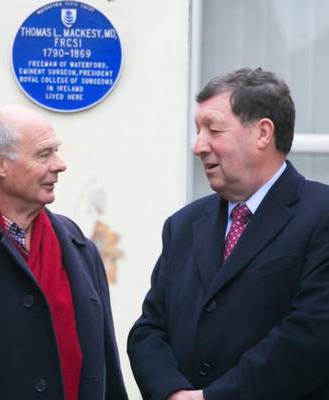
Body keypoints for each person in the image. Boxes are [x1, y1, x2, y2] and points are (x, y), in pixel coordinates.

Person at [127, 67, 329, 400]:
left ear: (263, 133)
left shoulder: (319, 216)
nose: (198, 146)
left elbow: (311, 337)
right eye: (197, 130)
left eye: (213, 130)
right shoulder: (182, 226)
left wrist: (214, 397)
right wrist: (173, 392)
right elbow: (149, 330)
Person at [0, 104, 128, 400]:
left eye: (55, 151)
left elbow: (107, 364)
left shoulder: (78, 245)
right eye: (43, 154)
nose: (60, 164)